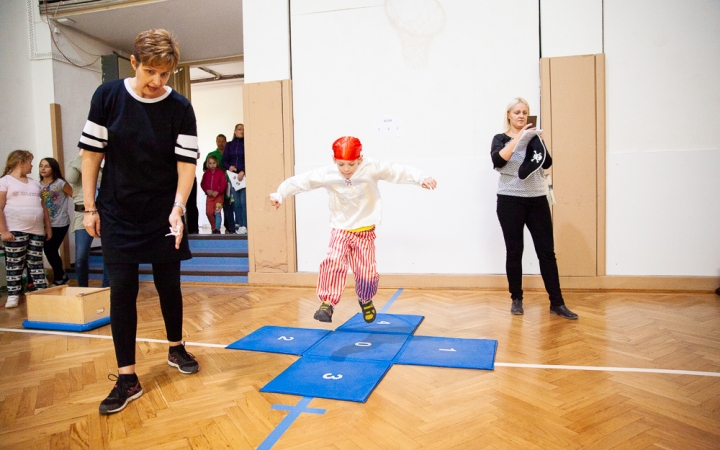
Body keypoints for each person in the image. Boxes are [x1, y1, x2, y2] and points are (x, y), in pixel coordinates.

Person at [78, 29, 199, 415]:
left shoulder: (180, 107)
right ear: (133, 63)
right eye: (150, 72)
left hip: (164, 211)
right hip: (117, 211)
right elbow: (91, 157)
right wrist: (89, 207)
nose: (156, 82)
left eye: (165, 75)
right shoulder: (108, 97)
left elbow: (187, 165)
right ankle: (127, 377)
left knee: (169, 284)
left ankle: (176, 347)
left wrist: (179, 207)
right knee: (122, 291)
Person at [270, 136, 437, 323]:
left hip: (365, 231)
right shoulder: (328, 174)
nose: (346, 170)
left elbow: (396, 171)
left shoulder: (371, 167)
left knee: (367, 273)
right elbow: (301, 182)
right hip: (340, 229)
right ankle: (327, 303)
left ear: (360, 159)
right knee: (333, 261)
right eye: (341, 165)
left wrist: (420, 178)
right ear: (334, 160)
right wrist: (280, 194)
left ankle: (365, 300)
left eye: (351, 164)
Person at [491, 97, 578, 320]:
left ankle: (557, 303)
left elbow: (547, 162)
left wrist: (535, 140)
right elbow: (498, 161)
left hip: (537, 199)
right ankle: (516, 299)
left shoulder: (534, 138)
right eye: (517, 112)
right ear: (509, 115)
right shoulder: (500, 139)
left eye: (525, 112)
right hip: (510, 200)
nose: (521, 116)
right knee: (514, 251)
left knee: (547, 252)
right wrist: (519, 138)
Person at [0, 150, 51, 308]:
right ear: (20, 163)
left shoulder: (35, 183)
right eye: (29, 162)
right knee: (15, 263)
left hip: (36, 230)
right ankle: (13, 295)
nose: (32, 165)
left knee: (36, 262)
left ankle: (41, 292)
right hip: (15, 229)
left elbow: (43, 207)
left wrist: (47, 227)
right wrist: (4, 231)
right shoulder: (5, 181)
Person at [65, 150, 110, 288]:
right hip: (82, 214)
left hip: (105, 213)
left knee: (108, 254)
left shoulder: (105, 165)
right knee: (80, 257)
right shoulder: (75, 164)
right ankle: (82, 287)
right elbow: (71, 178)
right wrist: (81, 155)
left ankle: (106, 287)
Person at [38, 157, 72, 286]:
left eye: (47, 166)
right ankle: (61, 275)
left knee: (50, 250)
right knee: (49, 250)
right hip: (43, 223)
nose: (43, 168)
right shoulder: (37, 184)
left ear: (53, 168)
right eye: (41, 166)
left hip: (60, 222)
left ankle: (59, 277)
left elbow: (75, 195)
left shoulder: (60, 183)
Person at [203, 134, 234, 233]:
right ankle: (214, 228)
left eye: (223, 141)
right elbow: (205, 171)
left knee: (227, 206)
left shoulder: (229, 154)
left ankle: (228, 228)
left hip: (228, 183)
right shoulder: (211, 155)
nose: (221, 143)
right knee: (210, 211)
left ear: (226, 142)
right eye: (219, 141)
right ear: (216, 142)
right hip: (213, 191)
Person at [222, 123, 247, 235]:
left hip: (244, 176)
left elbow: (249, 159)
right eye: (239, 129)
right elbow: (224, 160)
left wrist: (243, 171)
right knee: (236, 202)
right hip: (233, 178)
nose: (241, 131)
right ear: (235, 131)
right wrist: (229, 167)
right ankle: (239, 225)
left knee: (244, 202)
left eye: (243, 129)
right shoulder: (229, 145)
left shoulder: (247, 143)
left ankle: (245, 225)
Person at [200, 155, 227, 234]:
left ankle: (217, 229)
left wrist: (218, 191)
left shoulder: (220, 173)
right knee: (209, 212)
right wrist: (207, 190)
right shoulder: (206, 173)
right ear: (208, 164)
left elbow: (223, 184)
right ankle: (213, 226)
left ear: (217, 163)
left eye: (214, 163)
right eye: (210, 163)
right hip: (209, 196)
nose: (212, 165)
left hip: (219, 196)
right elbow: (203, 184)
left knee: (217, 212)